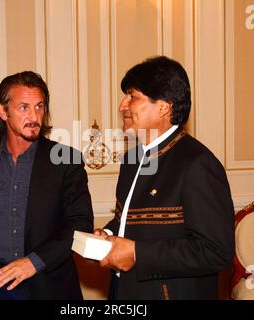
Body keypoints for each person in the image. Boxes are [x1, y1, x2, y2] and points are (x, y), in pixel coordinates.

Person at [0, 71, 94, 299]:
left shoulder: (67, 160)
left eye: (40, 107)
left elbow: (80, 224)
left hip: (49, 287)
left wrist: (33, 262)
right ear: (3, 111)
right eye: (24, 107)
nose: (35, 116)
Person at [94, 56, 235, 299]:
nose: (122, 106)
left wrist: (138, 253)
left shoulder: (197, 164)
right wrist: (108, 235)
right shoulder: (131, 161)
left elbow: (216, 251)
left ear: (163, 107)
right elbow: (128, 222)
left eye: (132, 96)